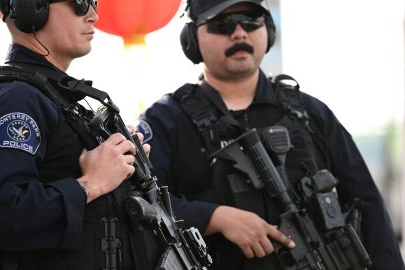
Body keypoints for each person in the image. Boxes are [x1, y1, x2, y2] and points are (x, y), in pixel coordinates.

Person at [137, 0, 405, 269]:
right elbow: (140, 207)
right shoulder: (165, 120)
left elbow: (369, 208)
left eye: (252, 20)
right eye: (223, 24)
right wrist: (214, 218)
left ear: (269, 30)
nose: (240, 33)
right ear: (192, 39)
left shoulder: (310, 113)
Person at [0, 0, 168, 269]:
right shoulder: (16, 100)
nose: (93, 15)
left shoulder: (52, 96)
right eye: (80, 3)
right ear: (33, 8)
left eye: (94, 3)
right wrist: (91, 183)